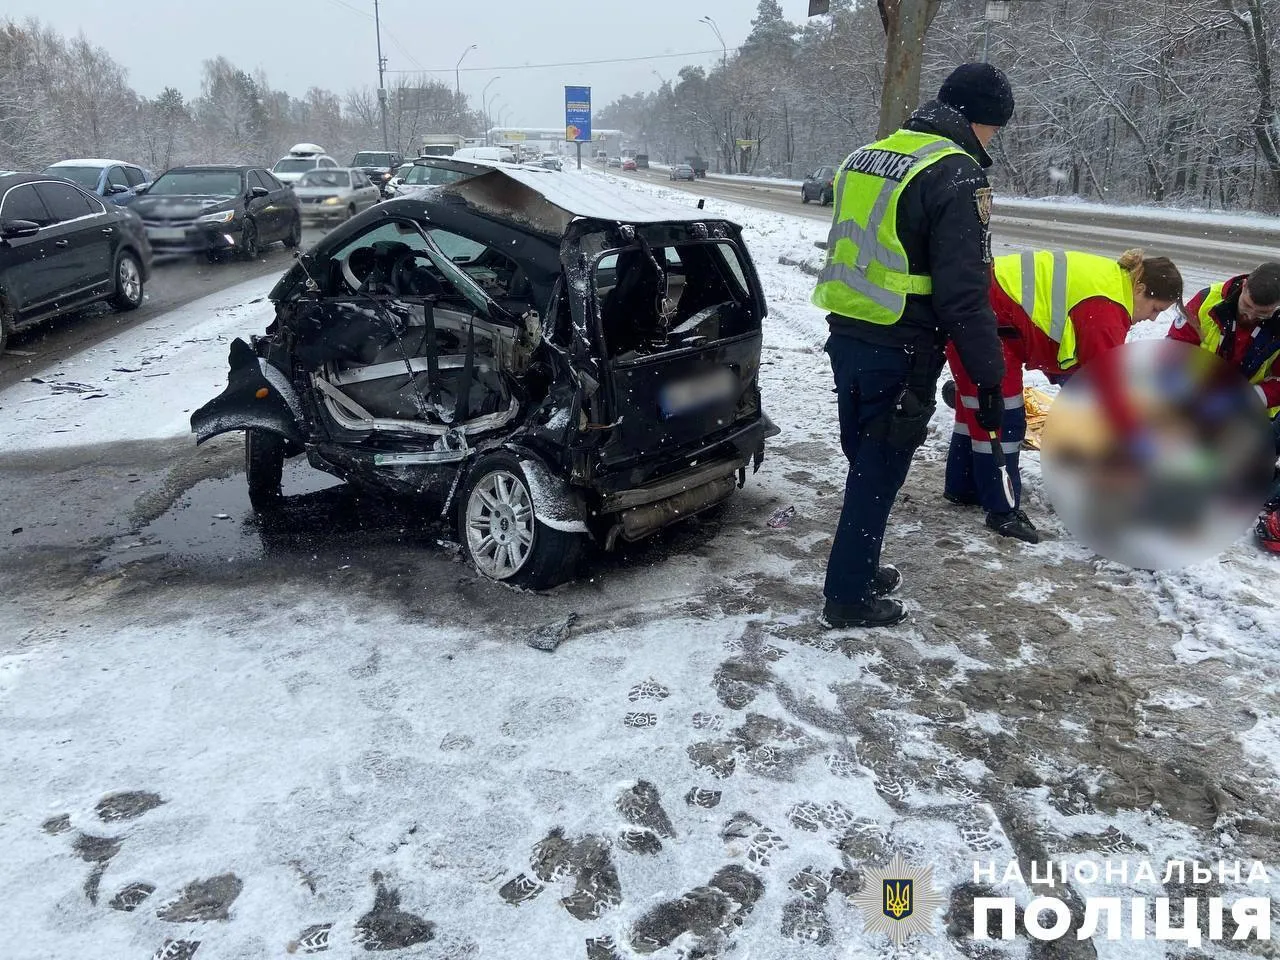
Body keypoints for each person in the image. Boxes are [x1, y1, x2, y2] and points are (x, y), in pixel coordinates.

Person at [812, 62, 1013, 629]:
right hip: (902, 344)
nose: (992, 140)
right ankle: (848, 597)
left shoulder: (867, 156)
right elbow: (964, 295)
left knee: (865, 458)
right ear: (981, 120)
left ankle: (860, 566)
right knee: (878, 470)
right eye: (995, 128)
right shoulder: (956, 173)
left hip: (848, 331)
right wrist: (989, 377)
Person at [944, 249, 1183, 542]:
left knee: (976, 410)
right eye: (1155, 309)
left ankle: (964, 487)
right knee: (1003, 419)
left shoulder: (1112, 284)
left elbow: (1070, 357)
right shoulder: (1107, 310)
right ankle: (1001, 512)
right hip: (986, 326)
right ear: (1140, 288)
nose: (1152, 319)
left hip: (980, 314)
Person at [1166, 262, 1280, 551]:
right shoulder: (1207, 302)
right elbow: (1173, 353)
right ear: (1244, 286)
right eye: (1247, 306)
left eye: (1262, 314)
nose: (1250, 315)